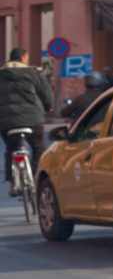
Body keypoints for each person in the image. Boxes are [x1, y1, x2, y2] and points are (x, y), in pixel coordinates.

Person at [0, 48, 54, 197]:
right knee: (38, 147)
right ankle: (37, 177)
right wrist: (48, 107)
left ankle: (13, 182)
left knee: (11, 148)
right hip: (33, 119)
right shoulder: (34, 73)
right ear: (24, 58)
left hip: (6, 121)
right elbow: (47, 95)